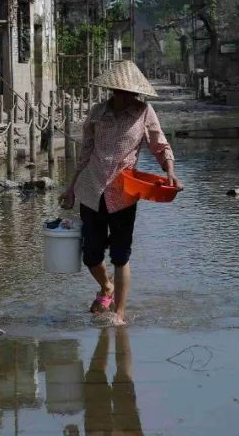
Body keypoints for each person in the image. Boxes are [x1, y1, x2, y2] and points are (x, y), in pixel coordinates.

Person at [60, 61, 180, 325]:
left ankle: (120, 312)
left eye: (131, 93)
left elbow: (160, 145)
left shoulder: (144, 112)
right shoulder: (97, 113)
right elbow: (85, 154)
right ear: (113, 90)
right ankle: (106, 287)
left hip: (124, 193)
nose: (127, 97)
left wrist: (169, 171)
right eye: (121, 91)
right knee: (91, 254)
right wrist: (71, 188)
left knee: (121, 255)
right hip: (91, 189)